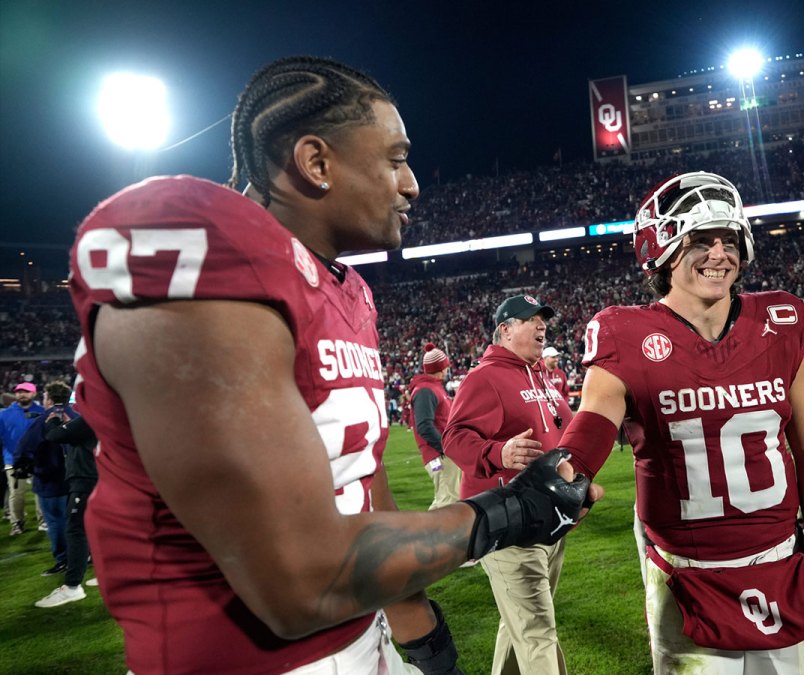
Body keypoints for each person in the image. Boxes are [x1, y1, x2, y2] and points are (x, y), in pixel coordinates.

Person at [67, 55, 592, 675]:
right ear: (316, 163)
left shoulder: (347, 290)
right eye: (395, 159)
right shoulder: (193, 241)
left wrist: (414, 623)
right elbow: (297, 581)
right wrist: (505, 512)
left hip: (358, 634)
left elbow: (364, 475)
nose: (412, 184)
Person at [558, 172, 804, 673]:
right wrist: (567, 472)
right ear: (661, 250)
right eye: (700, 240)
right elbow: (594, 421)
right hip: (685, 576)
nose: (718, 254)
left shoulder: (780, 320)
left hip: (781, 563)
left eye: (728, 240)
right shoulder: (625, 332)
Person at [442, 295, 575, 675]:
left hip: (551, 520)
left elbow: (568, 428)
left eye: (542, 320)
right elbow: (454, 437)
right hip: (509, 522)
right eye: (530, 320)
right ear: (505, 330)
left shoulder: (541, 376)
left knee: (519, 621)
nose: (541, 326)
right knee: (537, 631)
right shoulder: (485, 376)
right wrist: (499, 453)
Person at [35, 412, 100, 607]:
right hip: (104, 478)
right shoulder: (114, 413)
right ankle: (115, 575)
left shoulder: (93, 415)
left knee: (76, 530)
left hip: (86, 481)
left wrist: (54, 421)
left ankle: (72, 587)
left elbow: (55, 435)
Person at [13, 381, 74, 576]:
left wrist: (21, 464)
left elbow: (25, 447)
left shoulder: (44, 419)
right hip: (76, 478)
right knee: (75, 520)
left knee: (56, 521)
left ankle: (64, 560)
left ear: (49, 398)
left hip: (50, 479)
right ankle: (84, 554)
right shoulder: (77, 415)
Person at [409, 342, 463, 510]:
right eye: (446, 366)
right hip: (440, 455)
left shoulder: (433, 388)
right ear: (441, 367)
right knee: (447, 502)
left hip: (444, 453)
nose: (448, 370)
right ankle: (425, 535)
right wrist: (446, 447)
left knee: (452, 499)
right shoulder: (425, 390)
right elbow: (424, 426)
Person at [2, 381, 44, 536]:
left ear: (33, 393)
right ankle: (17, 523)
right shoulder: (5, 414)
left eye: (26, 391)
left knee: (41, 491)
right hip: (13, 459)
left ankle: (43, 520)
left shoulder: (42, 411)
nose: (22, 394)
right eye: (19, 391)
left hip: (39, 458)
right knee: (16, 493)